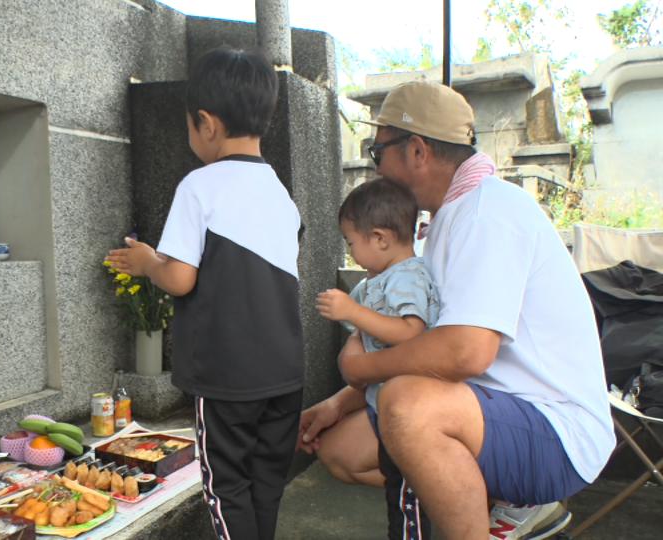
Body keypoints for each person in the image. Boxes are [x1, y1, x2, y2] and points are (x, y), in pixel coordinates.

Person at [297, 81, 614, 540]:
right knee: (342, 451)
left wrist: (360, 369)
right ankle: (491, 501)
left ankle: (498, 513)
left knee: (405, 405)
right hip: (492, 410)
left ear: (418, 151)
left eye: (377, 150)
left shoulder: (489, 213)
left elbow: (465, 353)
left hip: (554, 431)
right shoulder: (447, 218)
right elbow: (427, 340)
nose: (375, 163)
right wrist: (340, 400)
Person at [106, 46, 303, 540]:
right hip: (284, 373)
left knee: (225, 485)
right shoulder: (280, 192)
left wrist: (149, 261)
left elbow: (180, 278)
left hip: (226, 376)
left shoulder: (199, 186)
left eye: (189, 126)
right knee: (264, 482)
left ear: (206, 123)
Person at [316, 177, 440, 540]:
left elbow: (410, 331)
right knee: (399, 489)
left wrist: (353, 312)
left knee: (407, 493)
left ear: (381, 239)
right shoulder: (379, 278)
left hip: (411, 410)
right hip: (386, 410)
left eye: (351, 242)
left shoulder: (407, 277)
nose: (350, 250)